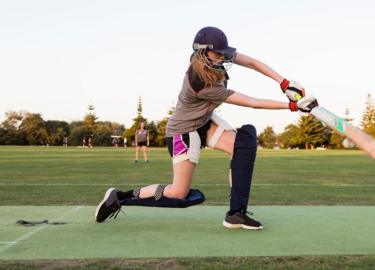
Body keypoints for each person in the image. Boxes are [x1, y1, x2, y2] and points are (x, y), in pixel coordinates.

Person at [95, 26, 318, 230]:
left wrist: (285, 83)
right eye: (218, 53)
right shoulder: (201, 83)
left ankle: (236, 214)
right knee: (178, 193)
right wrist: (291, 106)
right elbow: (251, 101)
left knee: (242, 145)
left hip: (204, 121)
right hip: (183, 132)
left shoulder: (214, 57)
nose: (223, 57)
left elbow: (253, 63)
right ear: (203, 52)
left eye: (224, 52)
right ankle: (119, 197)